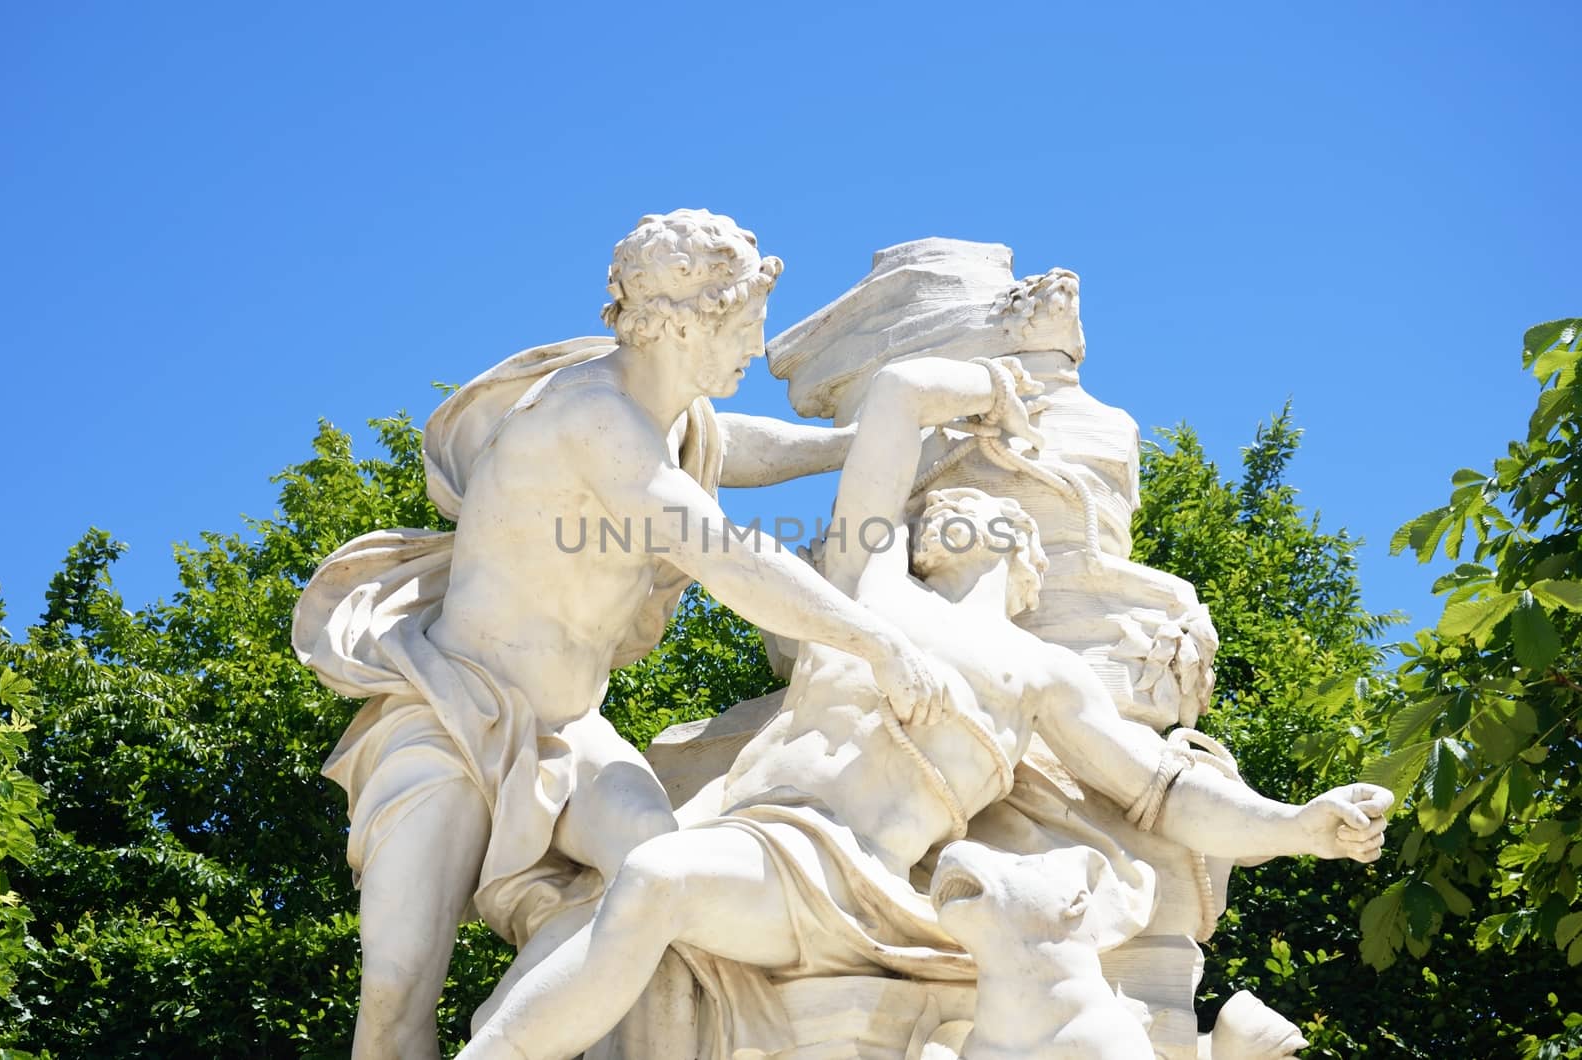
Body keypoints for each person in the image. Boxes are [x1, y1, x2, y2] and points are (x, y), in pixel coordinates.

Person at [458, 354, 1393, 1060]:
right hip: (754, 834)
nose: (937, 516)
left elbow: (1162, 794)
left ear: (1022, 558)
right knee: (614, 898)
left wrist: (1301, 826)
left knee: (656, 880)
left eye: (975, 511)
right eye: (938, 507)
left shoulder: (1042, 681)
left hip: (850, 885)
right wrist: (992, 382)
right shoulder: (868, 594)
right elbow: (901, 393)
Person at [293, 210, 947, 1059]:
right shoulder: (588, 417)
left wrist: (850, 445)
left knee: (657, 868)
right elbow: (724, 555)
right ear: (686, 322)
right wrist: (877, 642)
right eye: (745, 323)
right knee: (394, 986)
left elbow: (730, 447)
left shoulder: (666, 415)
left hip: (570, 733)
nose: (758, 343)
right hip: (452, 716)